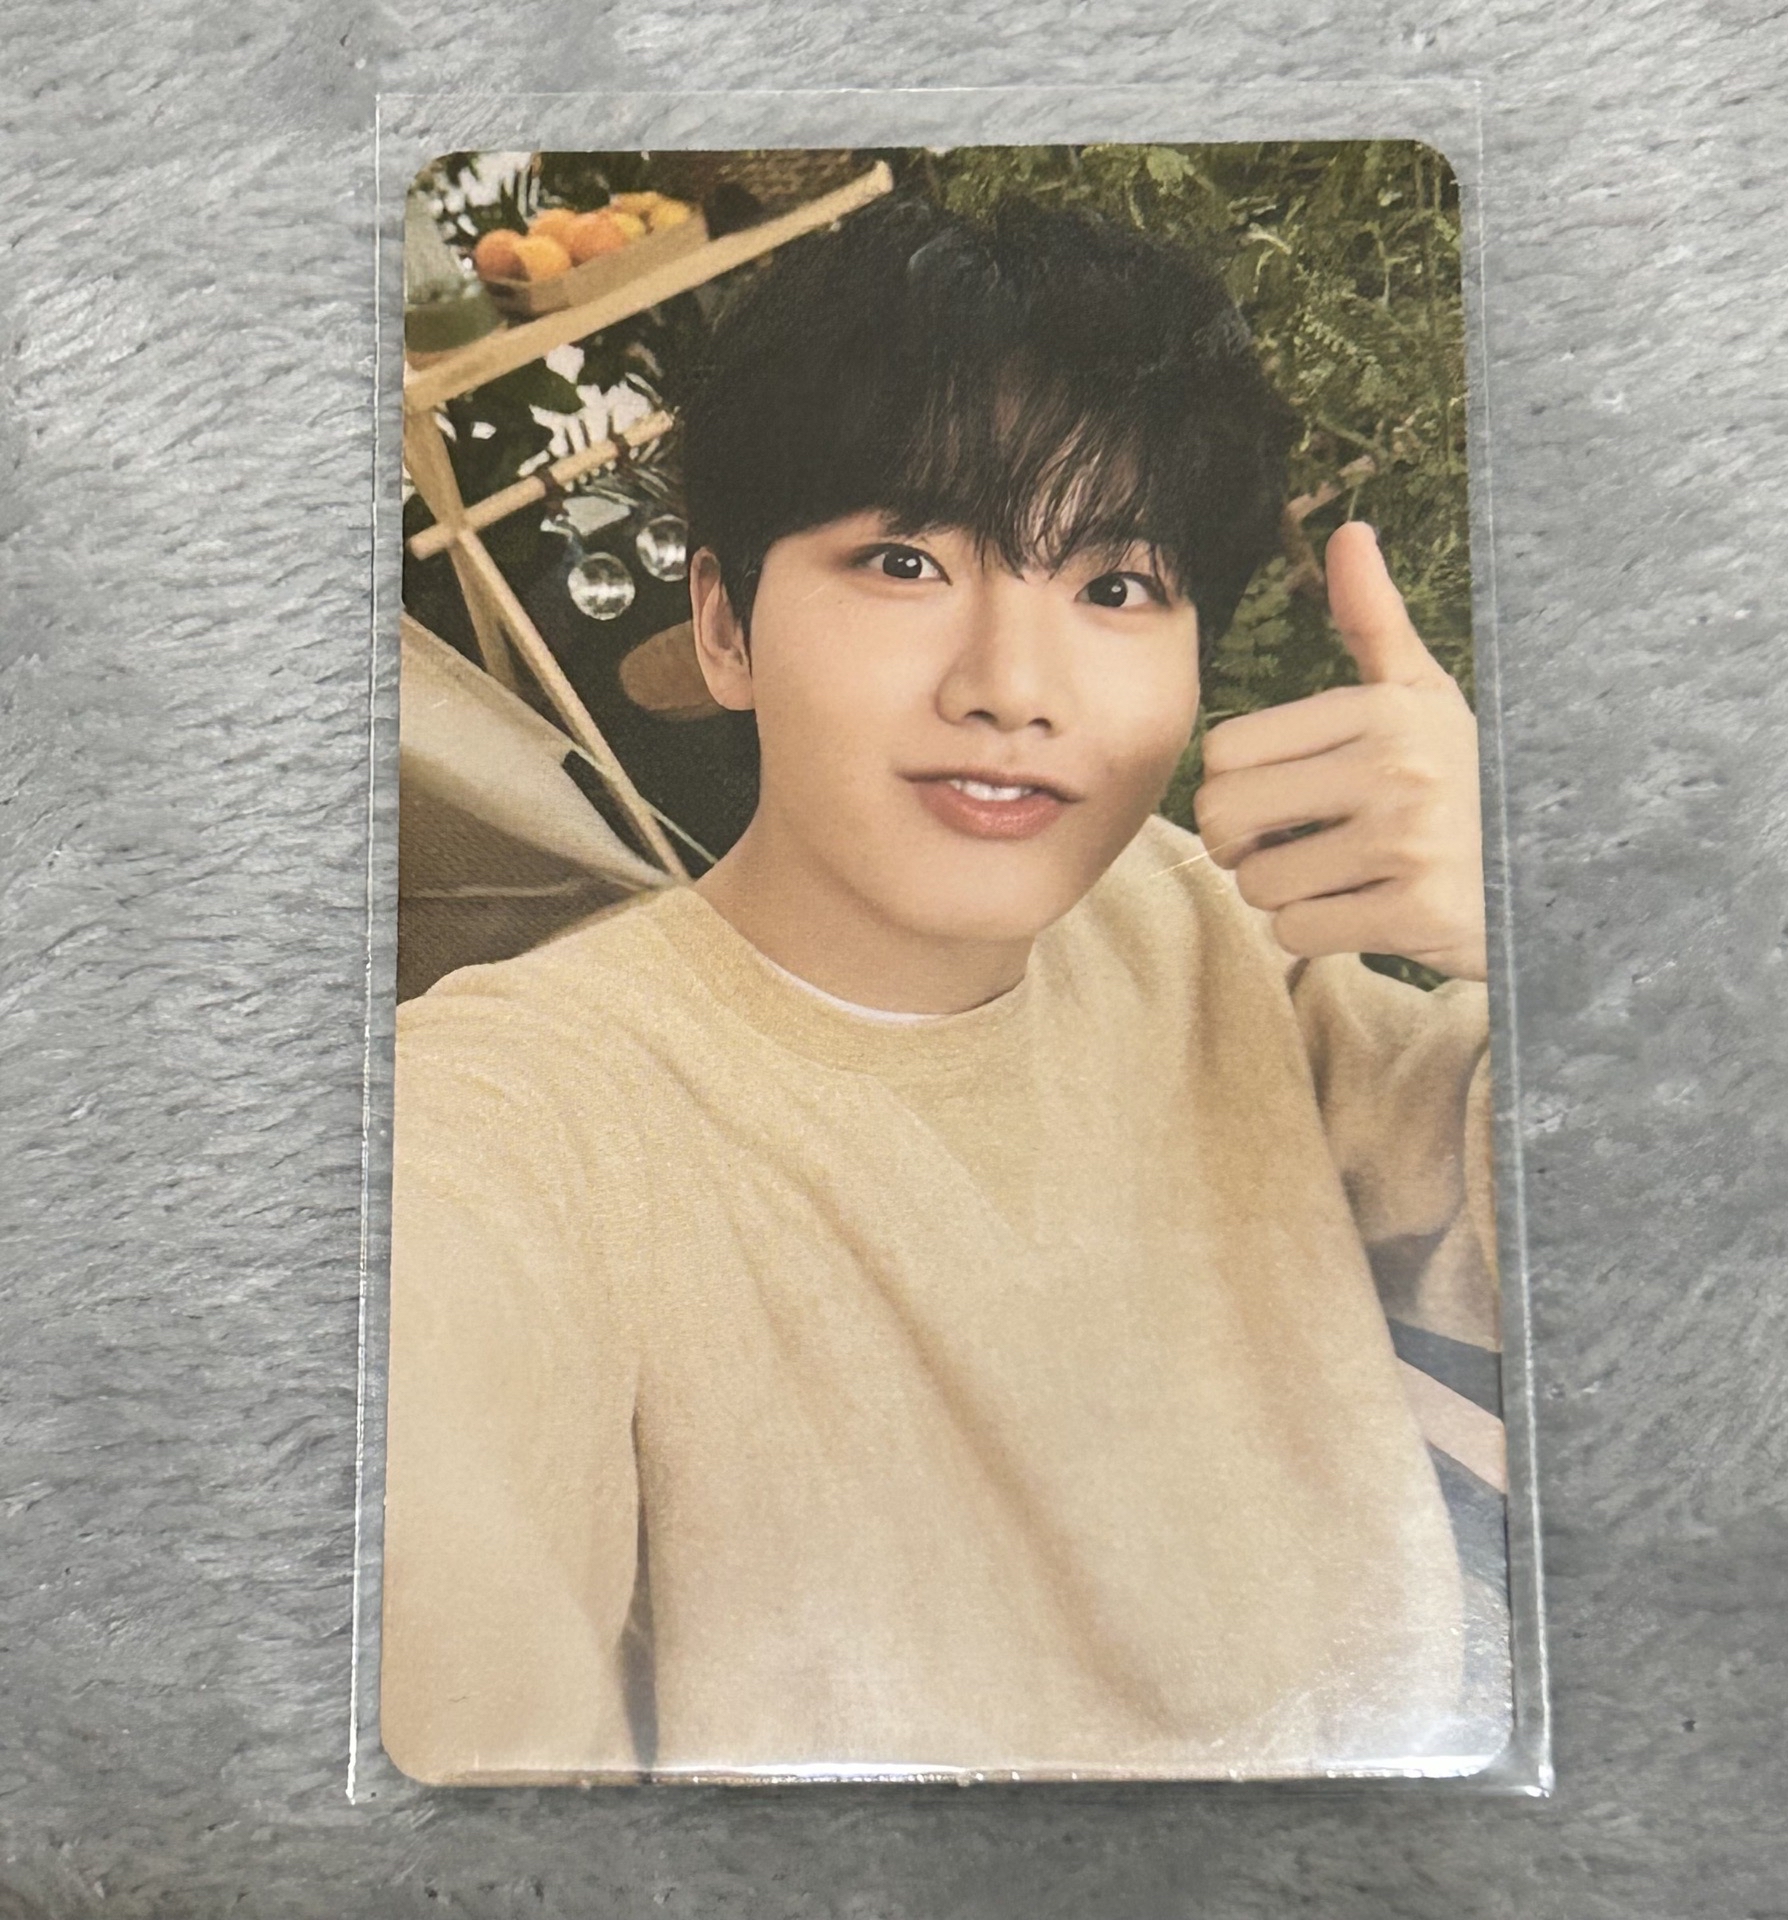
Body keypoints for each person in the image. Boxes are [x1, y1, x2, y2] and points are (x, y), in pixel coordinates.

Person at [381, 194, 1502, 1785]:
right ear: (725, 627)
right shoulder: (525, 1118)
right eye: (905, 560)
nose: (1012, 688)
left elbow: (1604, 1262)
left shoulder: (1178, 912)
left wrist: (1562, 937)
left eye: (1115, 587)